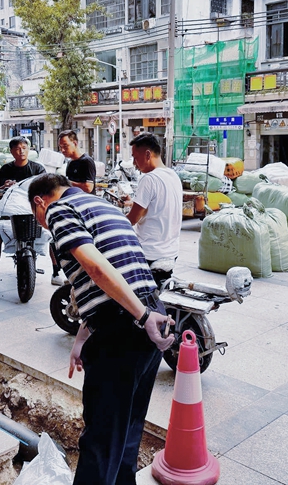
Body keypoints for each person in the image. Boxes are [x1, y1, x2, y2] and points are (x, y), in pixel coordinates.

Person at [28, 174, 174, 485]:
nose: (42, 224)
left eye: (36, 216)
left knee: (100, 439)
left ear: (40, 202)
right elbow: (102, 279)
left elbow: (95, 266)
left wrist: (141, 316)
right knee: (127, 429)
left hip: (128, 324)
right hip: (148, 316)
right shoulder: (100, 204)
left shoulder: (58, 209)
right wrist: (83, 335)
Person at [0, 137, 45, 292]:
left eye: (25, 148)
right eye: (18, 148)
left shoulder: (38, 169)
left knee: (51, 235)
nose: (22, 151)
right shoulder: (6, 169)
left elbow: (46, 190)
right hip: (11, 211)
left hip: (32, 211)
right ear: (12, 151)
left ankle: (56, 271)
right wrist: (4, 186)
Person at [123, 133, 183, 272]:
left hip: (149, 253)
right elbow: (159, 206)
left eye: (135, 158)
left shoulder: (149, 179)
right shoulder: (173, 175)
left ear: (148, 155)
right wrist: (133, 203)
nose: (134, 163)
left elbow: (132, 220)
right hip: (171, 252)